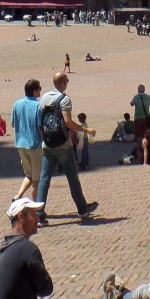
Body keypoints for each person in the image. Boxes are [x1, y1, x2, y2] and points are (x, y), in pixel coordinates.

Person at [35, 72, 99, 223]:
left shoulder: (44, 98)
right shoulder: (64, 99)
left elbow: (40, 119)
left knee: (45, 179)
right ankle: (82, 209)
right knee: (72, 178)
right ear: (64, 83)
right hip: (63, 144)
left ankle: (39, 214)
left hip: (47, 143)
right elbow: (68, 122)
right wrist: (85, 130)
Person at [10, 80, 42, 201]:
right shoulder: (38, 106)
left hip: (20, 144)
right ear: (34, 91)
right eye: (39, 88)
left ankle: (18, 195)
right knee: (37, 179)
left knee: (29, 174)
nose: (40, 90)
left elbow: (13, 124)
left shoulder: (17, 104)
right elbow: (41, 126)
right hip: (35, 145)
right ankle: (36, 207)